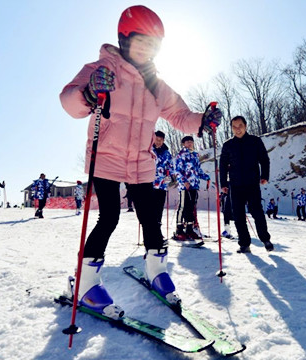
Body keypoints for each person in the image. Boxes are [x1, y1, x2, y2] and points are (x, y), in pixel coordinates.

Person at [59, 5, 222, 318]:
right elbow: (69, 100)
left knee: (150, 216)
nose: (147, 50)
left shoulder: (156, 84)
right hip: (105, 158)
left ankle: (156, 271)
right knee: (109, 217)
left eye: (153, 45)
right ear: (124, 39)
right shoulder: (102, 69)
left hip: (141, 163)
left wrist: (203, 120)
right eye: (141, 41)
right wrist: (90, 91)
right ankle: (86, 282)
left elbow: (180, 115)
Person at [220, 115, 273, 253]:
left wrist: (264, 176)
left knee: (257, 212)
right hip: (235, 185)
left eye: (240, 126)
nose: (237, 129)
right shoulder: (228, 145)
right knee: (238, 215)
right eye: (234, 127)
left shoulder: (255, 141)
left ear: (246, 126)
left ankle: (265, 239)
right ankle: (244, 243)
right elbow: (223, 165)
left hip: (252, 183)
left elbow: (264, 159)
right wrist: (224, 183)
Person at [174, 136, 210, 240]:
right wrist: (184, 181)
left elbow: (198, 170)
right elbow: (178, 170)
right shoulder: (181, 155)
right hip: (185, 186)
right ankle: (179, 229)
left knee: (191, 207)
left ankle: (189, 229)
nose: (189, 143)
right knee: (183, 207)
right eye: (187, 142)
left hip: (194, 185)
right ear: (183, 144)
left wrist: (206, 177)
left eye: (191, 141)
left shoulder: (195, 155)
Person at [152, 130, 174, 228]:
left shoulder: (166, 153)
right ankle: (149, 232)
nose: (158, 141)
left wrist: (169, 179)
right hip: (150, 184)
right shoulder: (149, 150)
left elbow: (171, 167)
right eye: (157, 139)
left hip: (162, 185)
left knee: (159, 208)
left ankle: (158, 231)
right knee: (150, 208)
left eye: (161, 140)